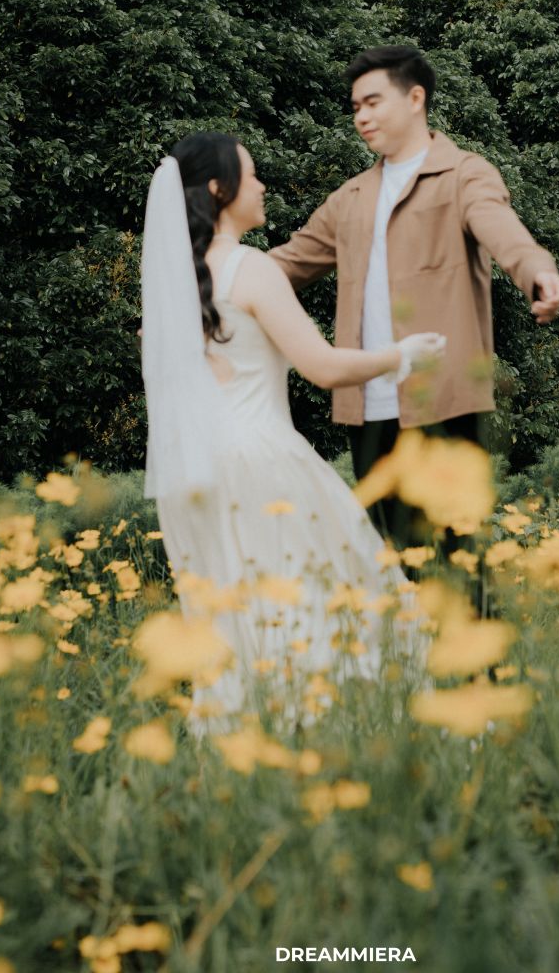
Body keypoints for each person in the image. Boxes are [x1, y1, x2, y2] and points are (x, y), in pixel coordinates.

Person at [140, 130, 444, 735]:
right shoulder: (250, 268)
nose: (262, 186)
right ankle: (332, 736)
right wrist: (400, 355)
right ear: (219, 189)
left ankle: (247, 743)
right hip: (262, 465)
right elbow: (322, 366)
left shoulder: (172, 286)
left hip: (194, 473)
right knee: (316, 604)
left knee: (232, 622)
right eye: (251, 175)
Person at [269, 45, 559, 578]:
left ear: (414, 99)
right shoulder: (351, 197)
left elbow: (501, 228)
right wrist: (203, 292)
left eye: (373, 102)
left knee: (458, 558)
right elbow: (286, 264)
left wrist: (537, 271)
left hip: (442, 398)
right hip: (367, 403)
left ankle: (476, 638)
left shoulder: (463, 174)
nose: (361, 117)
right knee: (393, 563)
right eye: (355, 107)